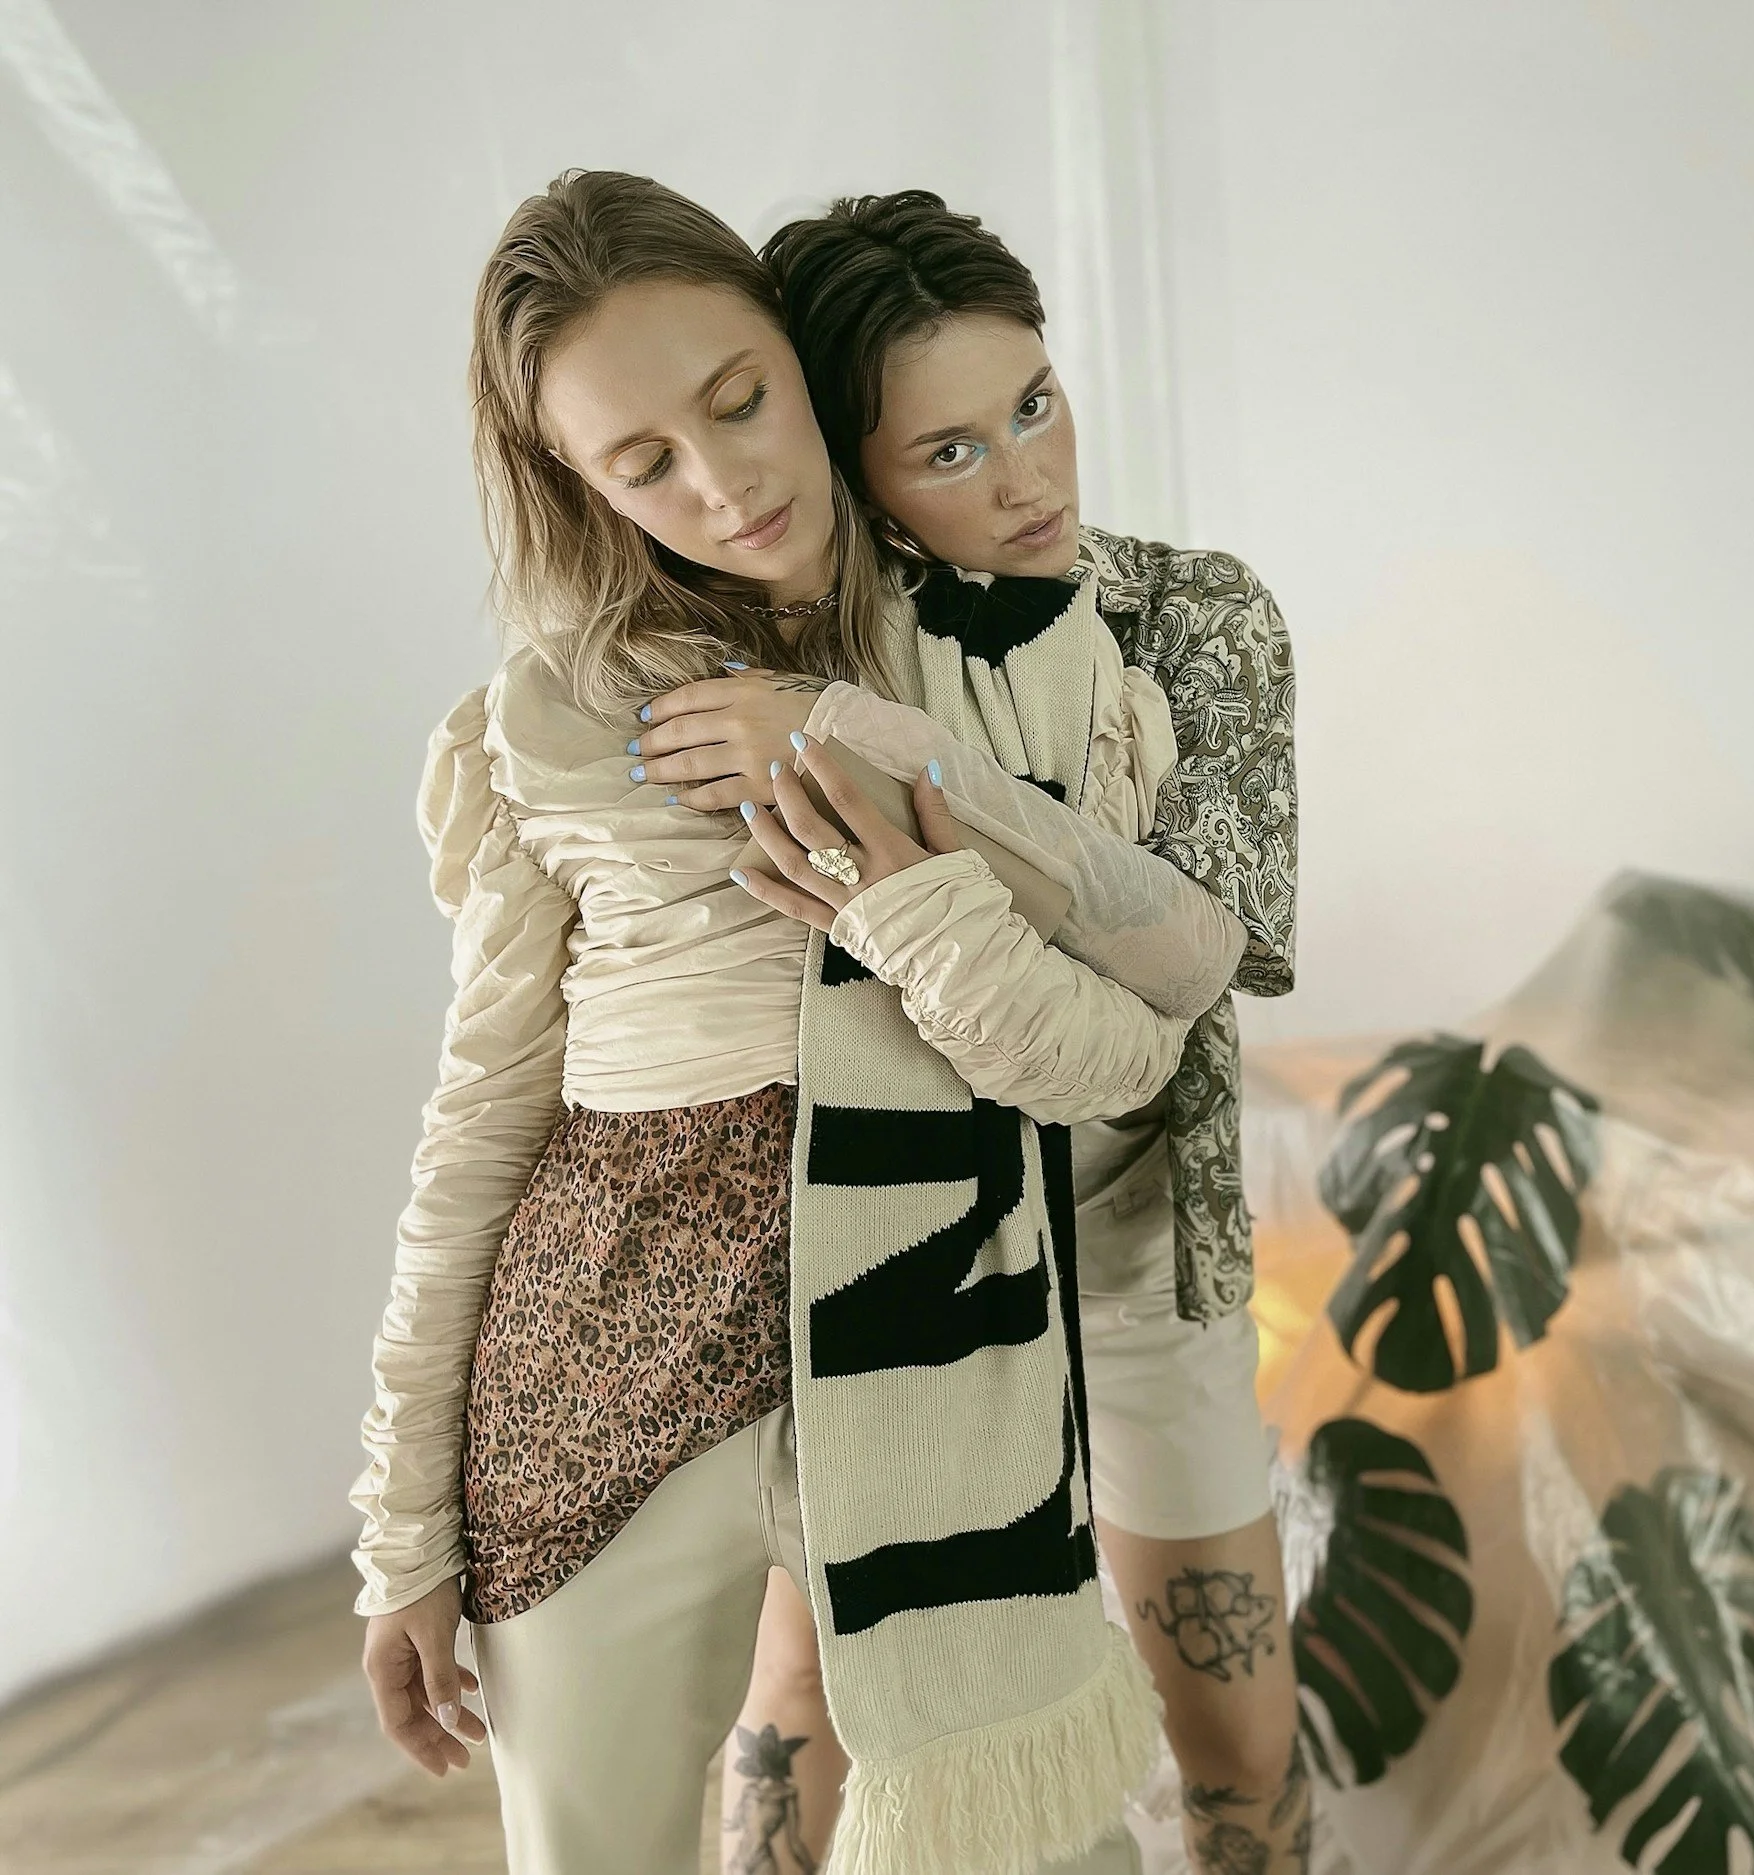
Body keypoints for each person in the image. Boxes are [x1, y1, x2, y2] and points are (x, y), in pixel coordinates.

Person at [349, 169, 1234, 1875]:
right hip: (596, 1386)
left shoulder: (1008, 656)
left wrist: (877, 801)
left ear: (795, 354)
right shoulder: (544, 721)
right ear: (574, 483)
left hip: (948, 1370)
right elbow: (482, 1124)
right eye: (642, 462)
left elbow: (1139, 1042)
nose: (723, 479)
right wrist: (400, 1524)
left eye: (741, 399)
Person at [645, 189, 1304, 1875]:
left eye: (1034, 403)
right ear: (855, 473)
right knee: (807, 1701)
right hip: (899, 1263)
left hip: (1140, 1243)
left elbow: (1206, 951)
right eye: (949, 450)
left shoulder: (1194, 617)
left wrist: (883, 752)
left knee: (1234, 1727)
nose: (1027, 478)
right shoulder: (777, 651)